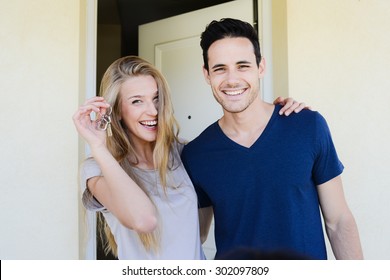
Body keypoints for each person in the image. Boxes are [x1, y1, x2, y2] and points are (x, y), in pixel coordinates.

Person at [72, 55, 303, 260]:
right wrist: (98, 146)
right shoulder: (97, 169)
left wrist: (271, 117)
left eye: (156, 98)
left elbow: (200, 232)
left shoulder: (184, 154)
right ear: (118, 111)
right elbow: (144, 221)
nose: (153, 110)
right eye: (136, 101)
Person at [181, 18, 363, 260]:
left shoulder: (307, 126)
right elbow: (195, 236)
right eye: (220, 68)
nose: (232, 79)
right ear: (207, 75)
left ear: (261, 67)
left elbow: (338, 221)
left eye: (243, 65)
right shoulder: (196, 155)